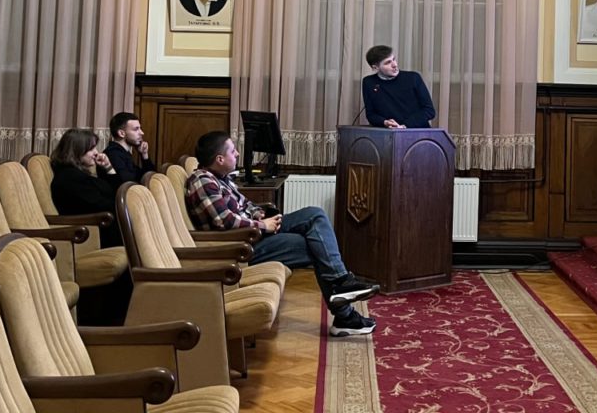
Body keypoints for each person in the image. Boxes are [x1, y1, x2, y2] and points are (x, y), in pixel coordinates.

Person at [185, 131, 379, 337]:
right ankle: (344, 311)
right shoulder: (203, 182)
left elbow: (245, 204)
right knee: (314, 244)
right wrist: (262, 225)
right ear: (220, 159)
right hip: (239, 248)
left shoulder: (221, 178)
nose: (238, 154)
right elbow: (225, 222)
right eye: (233, 151)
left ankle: (342, 289)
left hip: (252, 234)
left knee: (315, 215)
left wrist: (260, 214)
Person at [50, 129, 125, 249]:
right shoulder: (69, 177)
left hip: (105, 227)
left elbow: (117, 192)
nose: (96, 153)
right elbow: (104, 204)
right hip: (93, 233)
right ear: (76, 151)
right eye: (91, 149)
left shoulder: (77, 174)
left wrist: (108, 167)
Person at [361, 45, 435, 129]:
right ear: (375, 67)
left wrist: (404, 126)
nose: (395, 65)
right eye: (388, 62)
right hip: (389, 132)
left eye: (394, 59)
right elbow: (371, 114)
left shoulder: (413, 78)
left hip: (417, 132)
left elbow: (429, 111)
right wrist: (385, 122)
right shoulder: (369, 82)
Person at [105, 112, 156, 184]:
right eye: (136, 129)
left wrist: (144, 155)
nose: (142, 133)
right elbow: (128, 184)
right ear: (121, 133)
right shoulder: (113, 154)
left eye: (140, 128)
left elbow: (151, 178)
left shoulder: (124, 153)